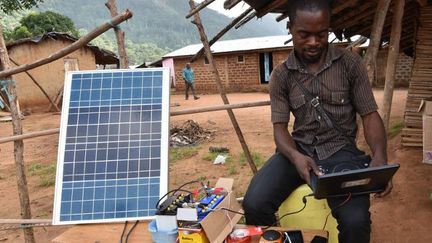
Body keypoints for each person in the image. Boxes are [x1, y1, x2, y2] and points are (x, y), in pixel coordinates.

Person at [242, 1, 392, 243]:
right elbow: (279, 129)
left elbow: (370, 114)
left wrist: (380, 158)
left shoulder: (350, 64)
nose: (314, 42)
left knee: (356, 223)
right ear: (290, 28)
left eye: (321, 34)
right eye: (304, 34)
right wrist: (294, 156)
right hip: (297, 152)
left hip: (341, 153)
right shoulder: (281, 76)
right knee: (254, 203)